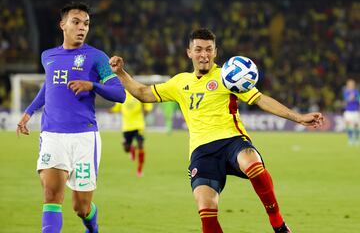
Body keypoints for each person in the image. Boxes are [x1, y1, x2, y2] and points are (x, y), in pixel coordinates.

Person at [108, 28, 324, 233]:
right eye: (199, 49)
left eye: (209, 49)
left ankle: (277, 222)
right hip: (202, 152)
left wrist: (298, 117)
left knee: (252, 161)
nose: (204, 54)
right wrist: (121, 73)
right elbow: (144, 93)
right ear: (189, 52)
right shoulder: (179, 82)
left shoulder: (229, 76)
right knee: (206, 208)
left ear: (215, 52)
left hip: (232, 140)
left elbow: (260, 99)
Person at [16, 2, 126, 233]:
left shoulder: (97, 58)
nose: (82, 27)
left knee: (81, 207)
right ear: (63, 25)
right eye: (76, 22)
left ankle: (92, 228)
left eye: (86, 23)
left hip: (85, 137)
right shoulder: (48, 56)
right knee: (51, 195)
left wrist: (92, 85)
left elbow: (120, 94)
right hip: (52, 135)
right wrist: (28, 112)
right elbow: (49, 87)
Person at [109, 90, 153, 176]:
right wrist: (111, 110)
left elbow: (148, 104)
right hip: (127, 126)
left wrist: (147, 109)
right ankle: (132, 149)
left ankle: (139, 169)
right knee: (126, 149)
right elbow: (117, 107)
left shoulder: (137, 93)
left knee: (140, 145)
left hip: (139, 125)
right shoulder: (122, 94)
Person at [343, 79, 360, 146]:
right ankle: (350, 139)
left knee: (356, 126)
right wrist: (352, 96)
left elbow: (359, 101)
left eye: (352, 84)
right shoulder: (346, 92)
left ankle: (356, 139)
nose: (351, 85)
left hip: (356, 111)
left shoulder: (356, 92)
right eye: (349, 84)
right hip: (348, 111)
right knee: (349, 126)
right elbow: (347, 100)